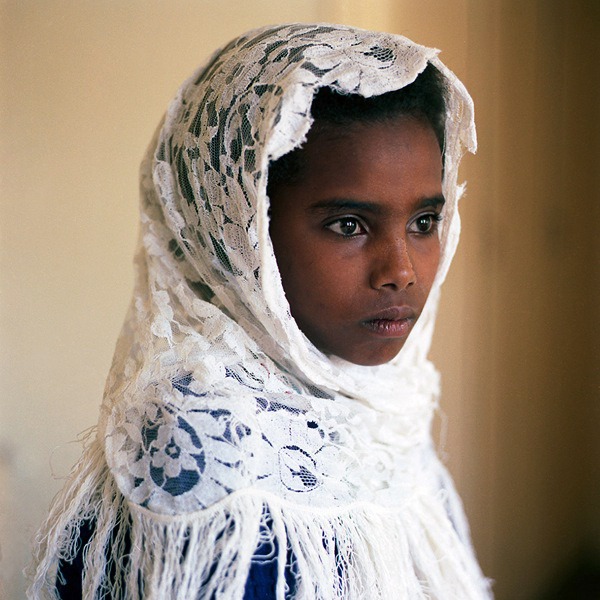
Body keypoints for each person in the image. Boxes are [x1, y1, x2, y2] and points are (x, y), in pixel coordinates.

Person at [28, 24, 491, 599]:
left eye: (423, 223)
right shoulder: (201, 457)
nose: (402, 270)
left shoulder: (382, 404)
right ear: (242, 235)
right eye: (349, 225)